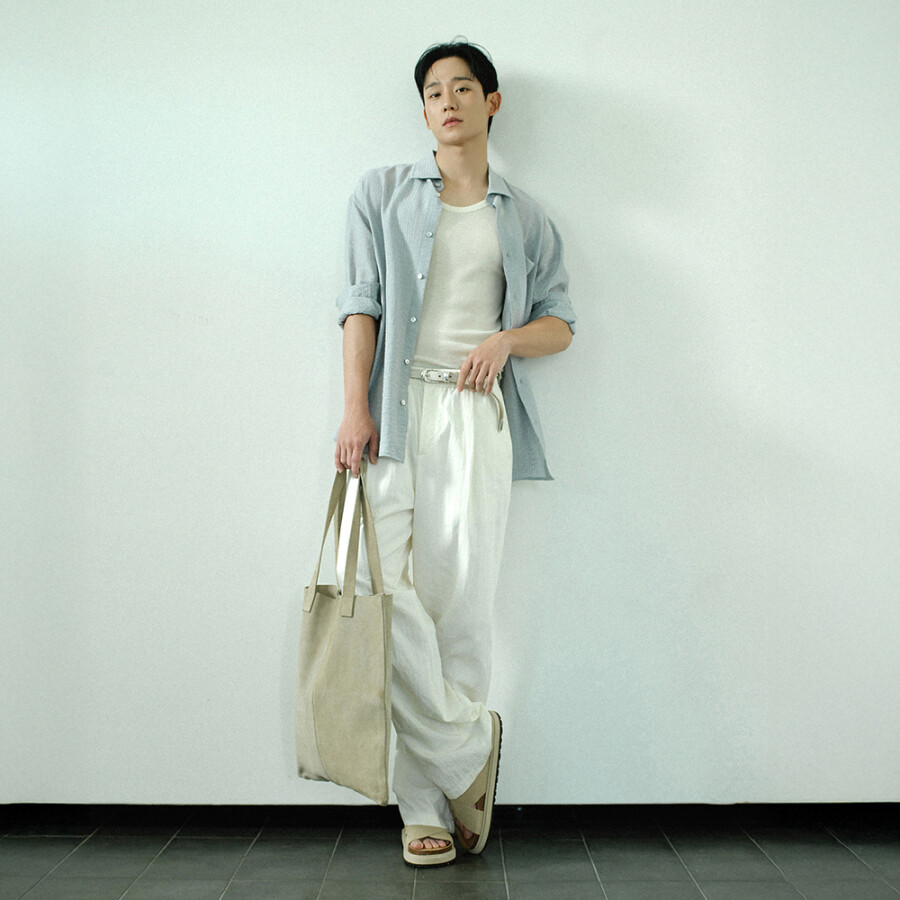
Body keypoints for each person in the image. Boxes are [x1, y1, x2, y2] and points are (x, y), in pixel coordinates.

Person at [333, 40, 575, 866]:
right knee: (376, 589)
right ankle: (466, 751)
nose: (447, 101)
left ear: (491, 102)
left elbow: (561, 323)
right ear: (424, 108)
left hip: (476, 415)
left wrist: (507, 340)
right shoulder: (380, 194)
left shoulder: (525, 217)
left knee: (461, 606)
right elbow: (360, 304)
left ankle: (426, 806)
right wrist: (353, 410)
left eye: (463, 88)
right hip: (396, 416)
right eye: (434, 91)